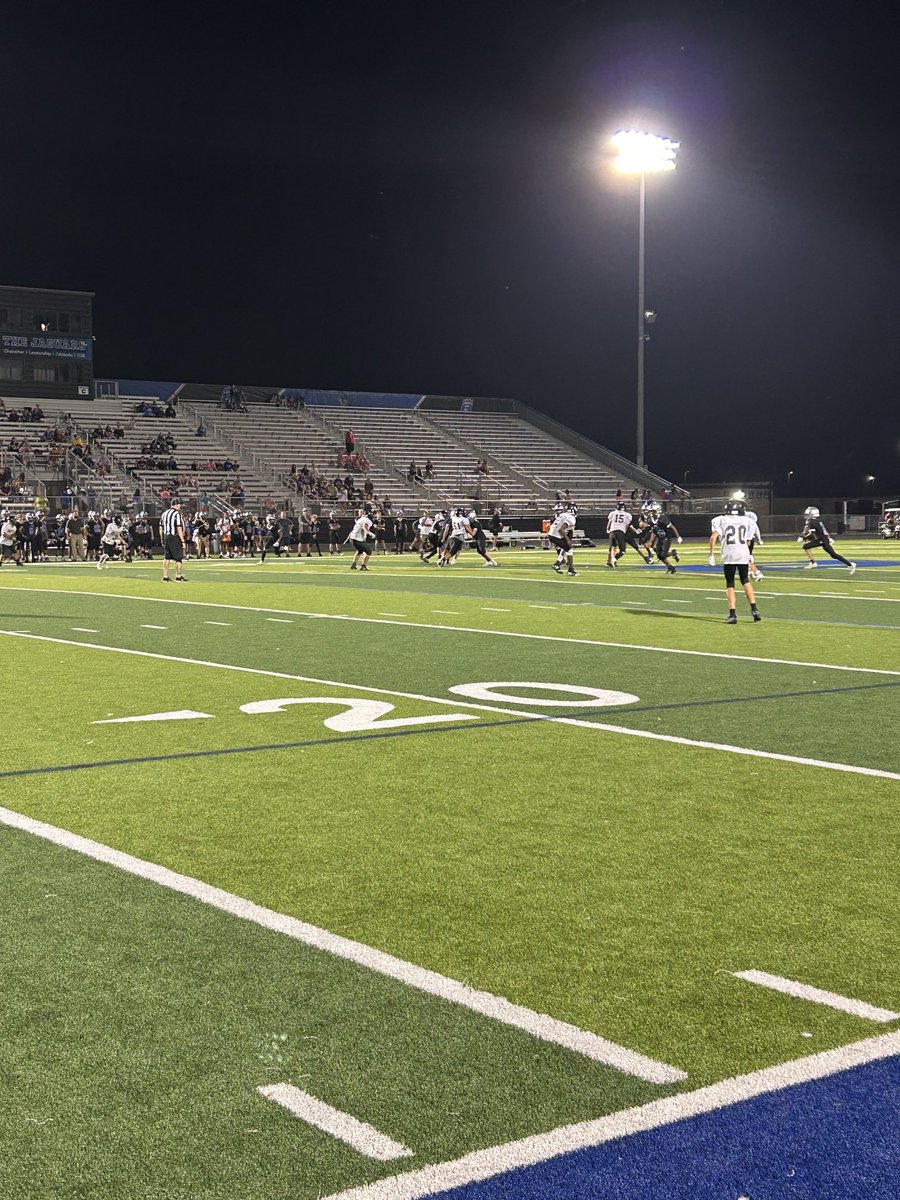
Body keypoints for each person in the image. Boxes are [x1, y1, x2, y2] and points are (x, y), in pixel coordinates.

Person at [709, 498, 762, 624]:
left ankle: (732, 614)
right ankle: (754, 609)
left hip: (729, 554)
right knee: (745, 580)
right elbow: (749, 540)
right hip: (743, 554)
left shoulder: (719, 520)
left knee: (730, 583)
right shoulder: (748, 521)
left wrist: (711, 554)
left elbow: (713, 536)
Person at [799, 507, 856, 573]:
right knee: (833, 555)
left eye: (808, 514)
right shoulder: (816, 521)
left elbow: (811, 533)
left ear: (812, 514)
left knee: (806, 546)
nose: (806, 516)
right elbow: (822, 531)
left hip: (822, 540)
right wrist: (829, 538)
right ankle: (850, 564)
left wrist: (803, 537)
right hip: (823, 539)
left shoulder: (813, 521)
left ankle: (813, 563)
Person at [647, 504, 683, 574]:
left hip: (666, 538)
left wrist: (678, 536)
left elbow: (672, 527)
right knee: (659, 555)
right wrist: (651, 541)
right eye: (652, 511)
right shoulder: (650, 519)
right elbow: (654, 531)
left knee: (662, 555)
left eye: (654, 511)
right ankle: (671, 567)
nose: (652, 513)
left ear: (658, 511)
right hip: (660, 538)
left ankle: (671, 564)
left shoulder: (663, 518)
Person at [159, 498, 187, 581]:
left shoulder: (164, 513)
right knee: (178, 558)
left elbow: (160, 527)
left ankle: (165, 576)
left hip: (166, 536)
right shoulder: (176, 514)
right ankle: (178, 576)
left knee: (167, 557)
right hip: (174, 537)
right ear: (177, 505)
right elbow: (179, 529)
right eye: (179, 505)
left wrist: (162, 538)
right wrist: (183, 541)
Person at [547, 504, 578, 576]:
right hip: (556, 535)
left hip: (552, 534)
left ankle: (558, 563)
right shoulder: (571, 518)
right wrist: (568, 540)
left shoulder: (563, 515)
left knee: (566, 548)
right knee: (569, 549)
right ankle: (570, 570)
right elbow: (561, 529)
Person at [346, 505, 374, 570]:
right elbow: (365, 526)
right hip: (357, 538)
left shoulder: (361, 518)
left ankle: (353, 565)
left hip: (352, 538)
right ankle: (363, 566)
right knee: (369, 552)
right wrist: (370, 533)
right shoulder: (367, 520)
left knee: (360, 551)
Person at [606, 501, 633, 568]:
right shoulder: (627, 515)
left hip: (612, 531)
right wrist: (625, 532)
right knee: (622, 550)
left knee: (612, 547)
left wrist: (607, 529)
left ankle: (609, 561)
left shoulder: (612, 513)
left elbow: (609, 522)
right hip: (620, 532)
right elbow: (627, 525)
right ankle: (614, 559)